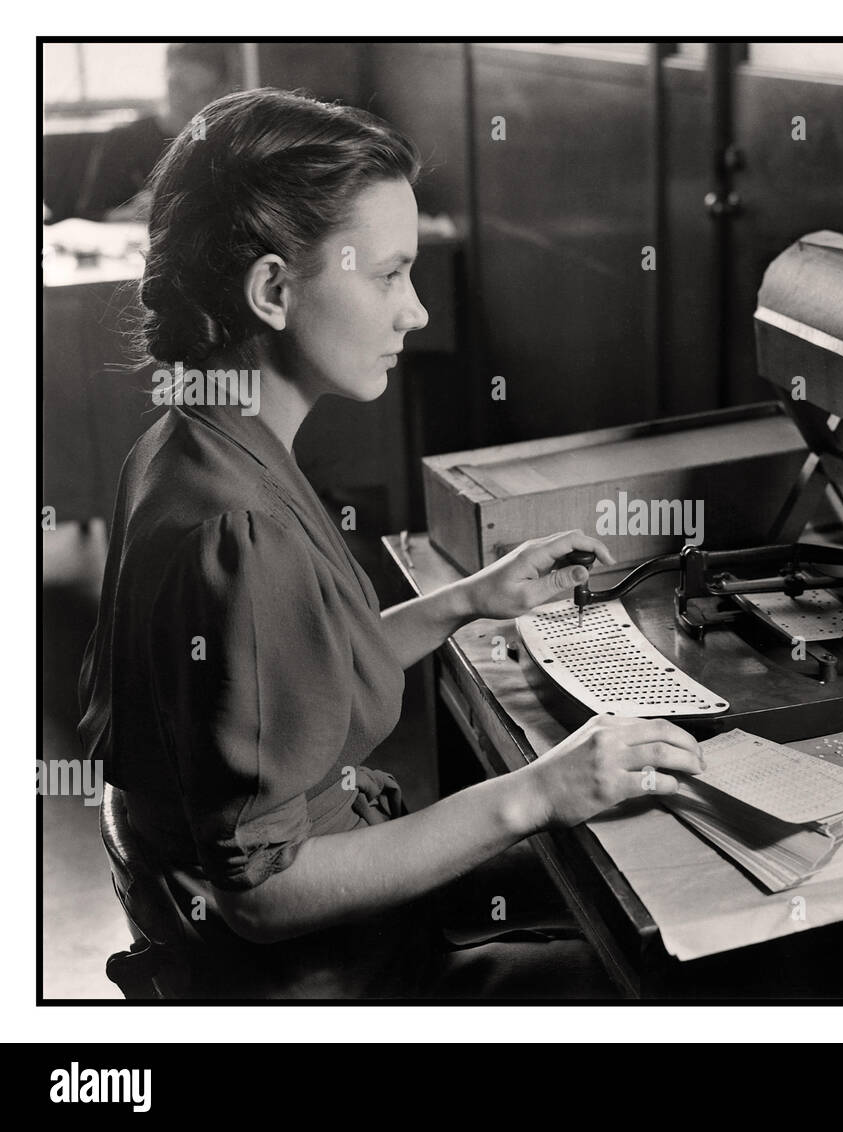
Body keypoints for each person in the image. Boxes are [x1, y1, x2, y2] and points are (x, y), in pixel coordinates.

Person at [77, 88, 704, 999]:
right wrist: (537, 791)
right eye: (387, 275)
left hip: (296, 923)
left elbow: (282, 668)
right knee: (670, 979)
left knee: (637, 863)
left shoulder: (189, 442)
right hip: (314, 970)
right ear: (274, 290)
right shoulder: (239, 530)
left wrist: (466, 599)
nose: (414, 312)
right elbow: (266, 893)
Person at [73, 43, 236, 222]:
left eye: (202, 92)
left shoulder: (225, 142)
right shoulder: (122, 139)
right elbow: (89, 214)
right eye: (179, 86)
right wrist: (132, 213)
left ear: (220, 91)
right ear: (165, 77)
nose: (184, 100)